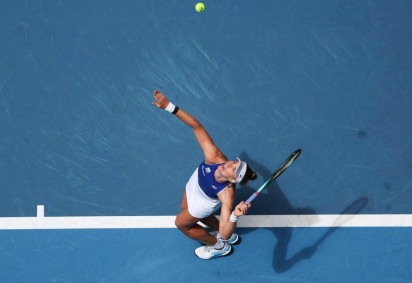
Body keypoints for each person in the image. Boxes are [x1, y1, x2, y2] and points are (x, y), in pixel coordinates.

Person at [152, 90, 257, 260]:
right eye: (234, 162)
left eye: (233, 169)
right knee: (184, 206)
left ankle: (218, 246)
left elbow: (222, 232)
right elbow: (197, 125)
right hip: (196, 184)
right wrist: (168, 106)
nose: (229, 163)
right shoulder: (215, 157)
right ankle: (231, 239)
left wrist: (235, 216)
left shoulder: (227, 195)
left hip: (203, 202)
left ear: (232, 180)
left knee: (182, 224)